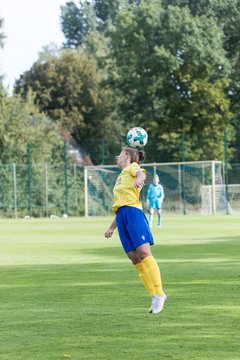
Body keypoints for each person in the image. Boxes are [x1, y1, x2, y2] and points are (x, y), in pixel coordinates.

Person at [104, 146, 167, 314]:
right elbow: (120, 205)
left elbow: (142, 173)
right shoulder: (120, 177)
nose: (117, 156)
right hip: (122, 216)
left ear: (127, 156)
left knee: (144, 253)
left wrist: (139, 179)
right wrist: (111, 228)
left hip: (134, 214)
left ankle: (160, 293)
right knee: (134, 258)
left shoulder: (132, 167)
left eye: (120, 154)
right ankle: (153, 295)